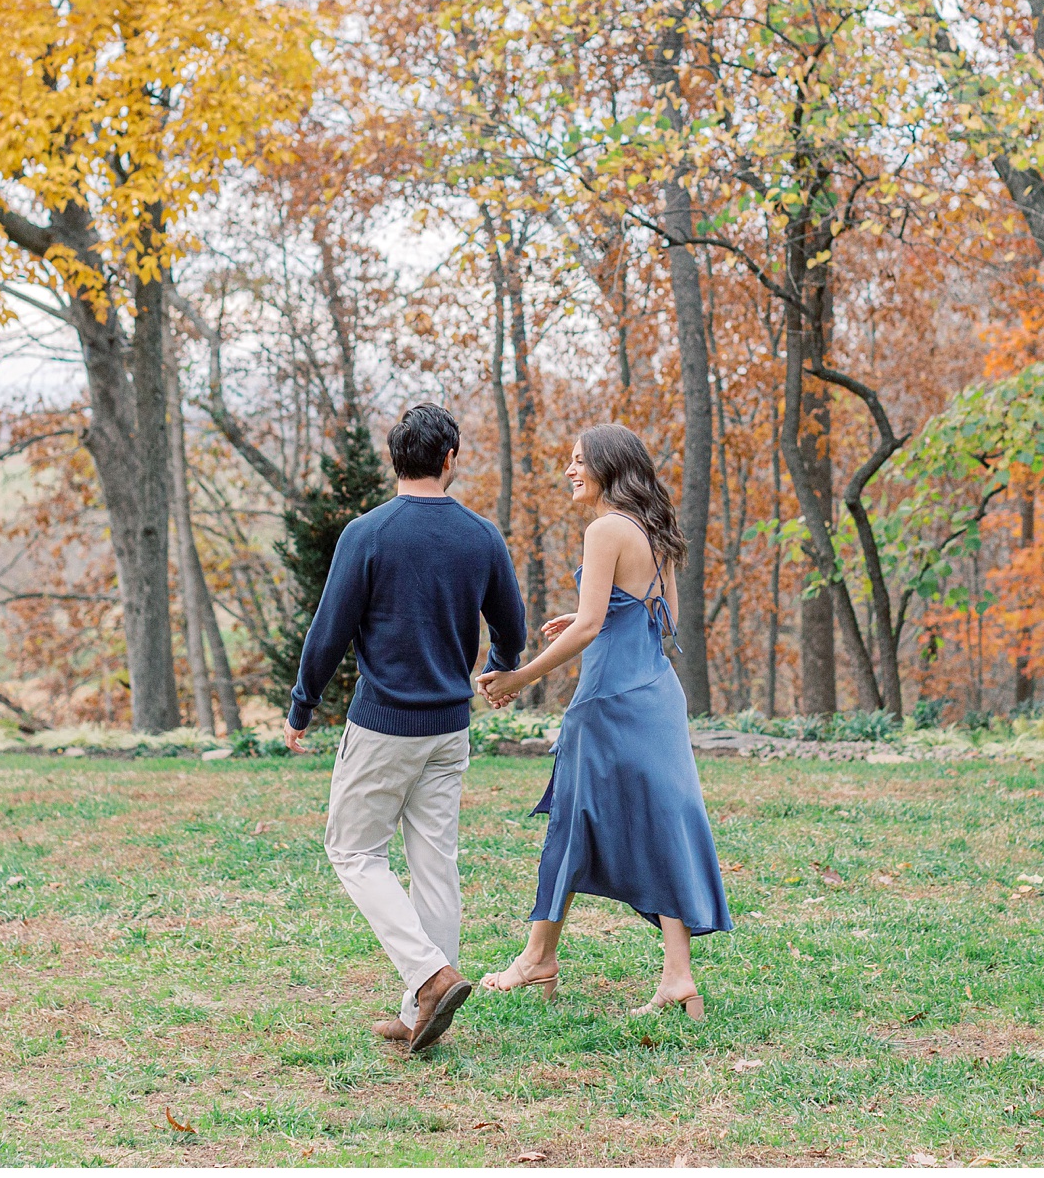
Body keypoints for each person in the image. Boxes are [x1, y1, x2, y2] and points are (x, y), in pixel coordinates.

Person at [284, 402, 528, 1052]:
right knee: (434, 865)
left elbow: (328, 631)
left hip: (384, 726)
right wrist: (500, 671)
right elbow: (512, 628)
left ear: (396, 458)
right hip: (450, 728)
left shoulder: (367, 534)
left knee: (353, 850)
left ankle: (428, 977)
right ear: (449, 459)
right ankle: (423, 1005)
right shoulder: (481, 536)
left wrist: (302, 704)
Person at [475, 424, 733, 1020]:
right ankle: (677, 977)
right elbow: (653, 614)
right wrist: (595, 611)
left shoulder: (604, 529)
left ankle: (538, 957)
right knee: (663, 823)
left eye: (578, 461)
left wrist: (519, 677)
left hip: (608, 699)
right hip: (657, 694)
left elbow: (593, 627)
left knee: (570, 820)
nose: (570, 470)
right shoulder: (653, 529)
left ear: (608, 468)